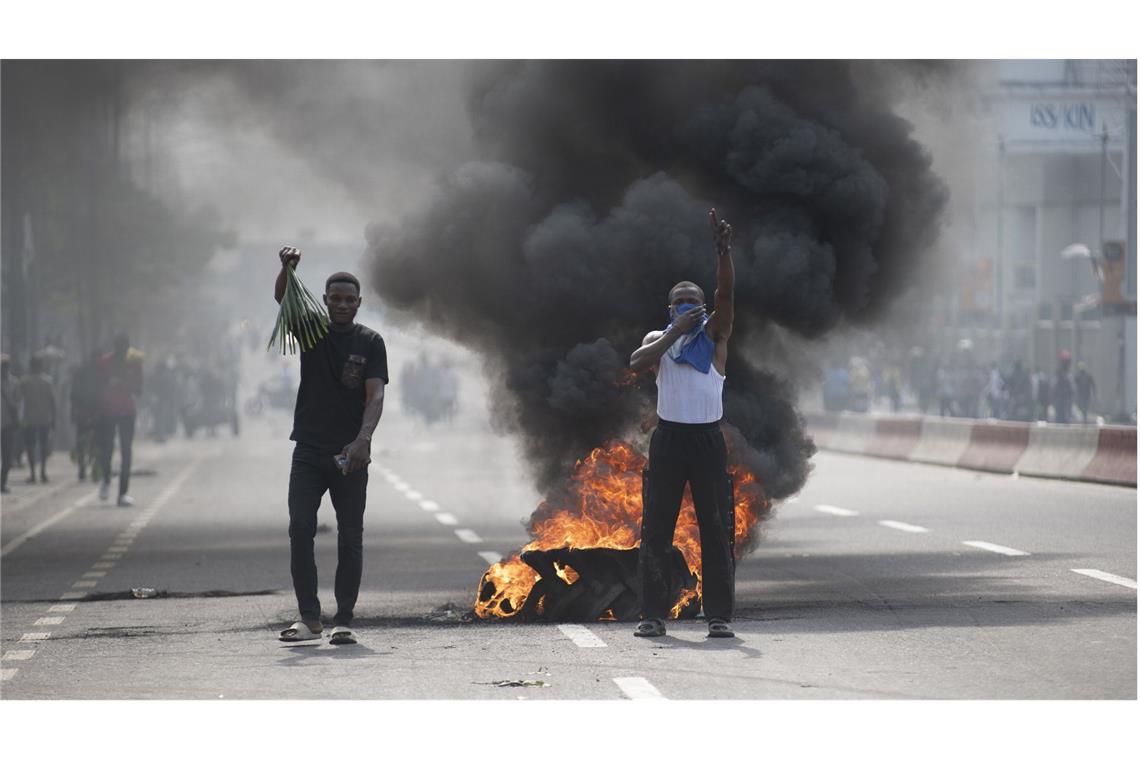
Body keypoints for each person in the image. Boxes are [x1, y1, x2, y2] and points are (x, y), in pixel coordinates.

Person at [628, 209, 736, 639]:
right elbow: (636, 363)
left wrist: (723, 252)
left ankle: (719, 617)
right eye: (679, 301)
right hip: (669, 440)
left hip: (707, 440)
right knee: (657, 529)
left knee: (715, 529)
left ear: (704, 306)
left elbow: (727, 293)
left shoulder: (716, 338)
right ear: (669, 308)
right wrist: (674, 332)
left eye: (693, 300)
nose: (687, 304)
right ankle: (652, 615)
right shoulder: (658, 341)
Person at [274, 246, 388, 646]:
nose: (341, 305)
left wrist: (363, 439)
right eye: (335, 299)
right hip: (307, 450)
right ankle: (309, 617)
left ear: (359, 303)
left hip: (349, 455)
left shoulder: (371, 342)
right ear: (324, 301)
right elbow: (282, 300)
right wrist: (287, 269)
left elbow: (374, 396)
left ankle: (343, 618)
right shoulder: (311, 331)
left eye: (349, 300)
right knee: (300, 528)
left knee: (349, 535)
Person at [97, 334, 143, 506]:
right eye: (121, 348)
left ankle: (122, 493)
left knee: (126, 451)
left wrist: (126, 383)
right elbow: (98, 384)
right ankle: (106, 481)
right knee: (107, 448)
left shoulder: (134, 364)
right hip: (108, 410)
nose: (123, 351)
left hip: (127, 411)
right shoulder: (104, 362)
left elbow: (139, 390)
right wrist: (109, 383)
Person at [20, 356, 56, 484]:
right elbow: (52, 402)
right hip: (44, 418)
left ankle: (33, 473)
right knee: (43, 446)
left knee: (30, 446)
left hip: (29, 418)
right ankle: (43, 472)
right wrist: (54, 418)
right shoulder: (48, 381)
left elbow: (19, 400)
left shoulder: (24, 382)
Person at [70, 351, 103, 481]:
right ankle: (87, 467)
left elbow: (73, 394)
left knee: (83, 441)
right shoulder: (100, 373)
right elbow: (73, 394)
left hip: (87, 412)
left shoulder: (81, 372)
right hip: (91, 412)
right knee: (91, 441)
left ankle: (87, 467)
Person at [1, 354, 20, 493]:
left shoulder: (14, 383)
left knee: (7, 456)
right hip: (6, 422)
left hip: (8, 424)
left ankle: (2, 482)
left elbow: (18, 403)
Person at [1052, 351, 1075, 424]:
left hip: (1066, 401)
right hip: (1060, 401)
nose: (1067, 364)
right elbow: (1054, 387)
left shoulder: (1068, 375)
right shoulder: (1059, 374)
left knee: (1066, 419)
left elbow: (1072, 389)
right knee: (1060, 418)